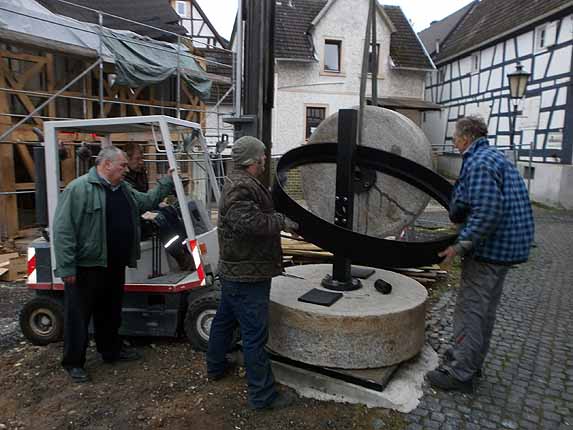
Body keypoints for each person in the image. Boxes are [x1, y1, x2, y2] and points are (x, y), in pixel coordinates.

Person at [427, 116, 534, 393]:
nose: (453, 141)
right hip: (505, 248)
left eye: (454, 136)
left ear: (465, 138)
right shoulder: (493, 157)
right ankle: (471, 362)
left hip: (490, 250)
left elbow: (487, 211)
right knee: (484, 311)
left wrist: (460, 245)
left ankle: (461, 375)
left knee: (471, 311)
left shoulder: (478, 163)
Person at [53, 146, 174, 383]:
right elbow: (63, 230)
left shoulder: (123, 188)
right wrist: (67, 268)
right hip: (87, 266)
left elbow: (146, 201)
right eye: (122, 165)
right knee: (78, 315)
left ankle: (110, 350)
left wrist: (168, 182)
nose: (126, 169)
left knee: (109, 311)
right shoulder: (78, 189)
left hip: (114, 263)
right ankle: (73, 362)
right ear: (106, 164)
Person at [206, 136, 298, 410]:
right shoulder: (240, 187)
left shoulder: (240, 182)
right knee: (254, 336)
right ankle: (263, 396)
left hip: (238, 270)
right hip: (247, 275)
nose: (265, 160)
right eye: (262, 156)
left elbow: (253, 215)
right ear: (253, 160)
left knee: (223, 322)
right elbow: (248, 222)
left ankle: (215, 366)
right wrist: (282, 221)